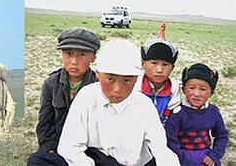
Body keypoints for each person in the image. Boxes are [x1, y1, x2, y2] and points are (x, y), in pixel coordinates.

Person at [57, 39, 180, 166]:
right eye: (110, 79)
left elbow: (161, 149)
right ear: (98, 74)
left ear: (136, 78)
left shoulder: (144, 105)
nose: (117, 89)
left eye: (127, 81)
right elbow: (70, 147)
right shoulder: (87, 97)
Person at [27, 27, 100, 165]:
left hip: (89, 151)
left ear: (93, 57)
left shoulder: (98, 85)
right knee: (36, 161)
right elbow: (45, 123)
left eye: (82, 54)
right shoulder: (51, 83)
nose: (74, 61)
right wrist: (50, 150)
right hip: (59, 149)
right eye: (69, 54)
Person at [165, 63, 229, 166]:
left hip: (205, 156)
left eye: (203, 89)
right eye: (192, 88)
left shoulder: (213, 111)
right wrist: (181, 159)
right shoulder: (178, 112)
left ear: (211, 93)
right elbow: (170, 139)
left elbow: (222, 135)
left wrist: (214, 155)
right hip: (181, 155)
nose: (196, 93)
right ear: (184, 90)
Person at [137, 36, 181, 125]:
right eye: (154, 63)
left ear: (172, 68)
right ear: (143, 64)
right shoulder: (135, 85)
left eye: (165, 65)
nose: (159, 70)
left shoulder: (174, 89)